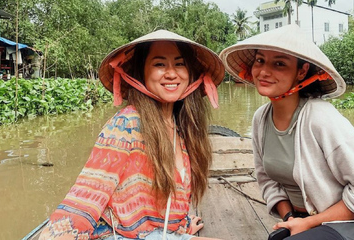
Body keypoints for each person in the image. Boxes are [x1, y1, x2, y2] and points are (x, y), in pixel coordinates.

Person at [219, 24, 354, 240]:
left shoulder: (320, 117)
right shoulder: (261, 118)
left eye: (279, 63)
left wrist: (308, 223)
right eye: (260, 60)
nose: (264, 71)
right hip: (312, 219)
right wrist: (290, 218)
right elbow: (267, 180)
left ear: (302, 71)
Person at [39, 30, 224, 240]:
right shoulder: (125, 124)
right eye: (159, 64)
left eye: (179, 64)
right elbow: (86, 197)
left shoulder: (180, 126)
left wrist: (181, 225)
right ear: (141, 73)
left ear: (190, 73)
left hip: (159, 234)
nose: (172, 73)